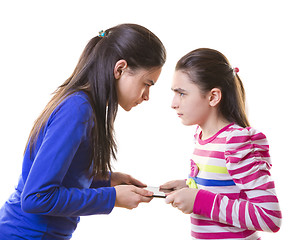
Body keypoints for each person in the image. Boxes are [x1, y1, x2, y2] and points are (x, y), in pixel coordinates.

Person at [0, 23, 166, 239]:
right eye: (147, 83)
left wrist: (108, 180)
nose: (146, 96)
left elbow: (64, 178)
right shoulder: (77, 109)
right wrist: (111, 197)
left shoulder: (86, 106)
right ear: (120, 69)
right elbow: (36, 197)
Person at [161, 48, 282, 239]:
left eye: (181, 93)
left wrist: (200, 200)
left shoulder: (237, 142)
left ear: (213, 97)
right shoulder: (201, 136)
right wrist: (189, 188)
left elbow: (269, 217)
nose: (173, 103)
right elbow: (225, 189)